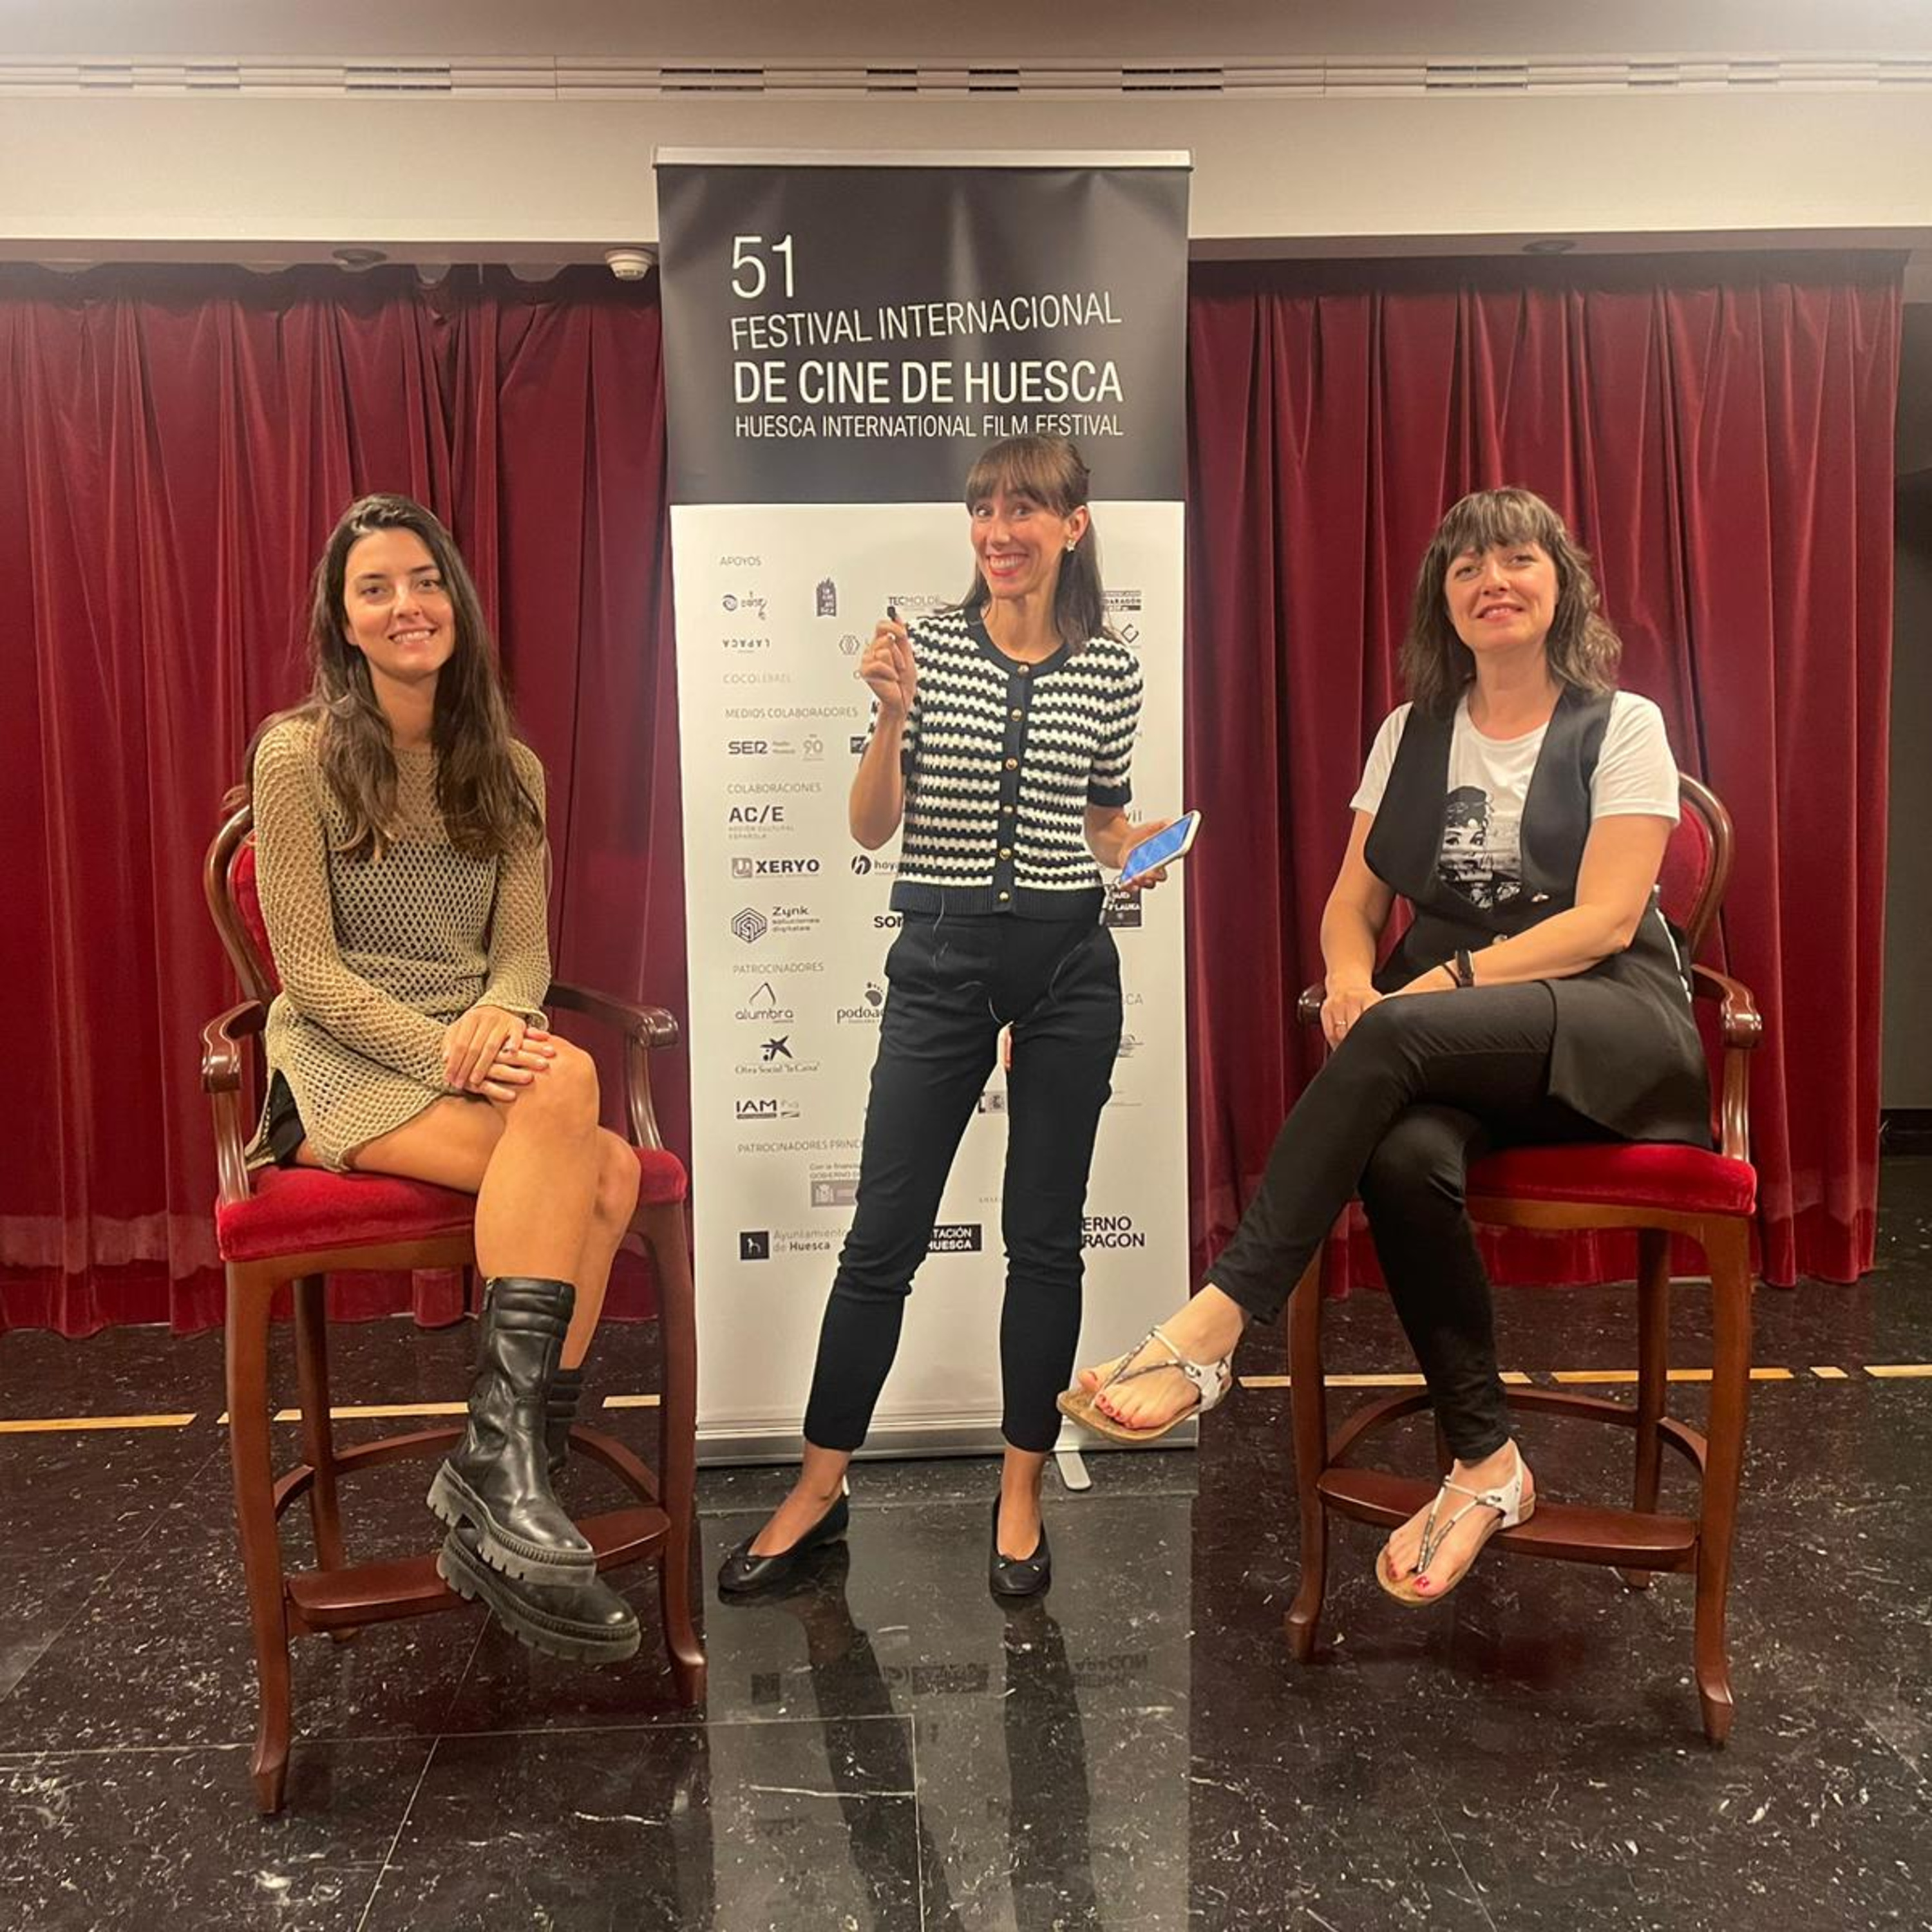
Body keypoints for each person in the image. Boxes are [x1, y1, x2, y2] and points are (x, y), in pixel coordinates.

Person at [1065, 485, 1710, 1605]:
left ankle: (1212, 1325)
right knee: (1404, 1159)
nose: (1493, 581)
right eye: (1467, 568)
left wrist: (1430, 988)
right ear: (1442, 601)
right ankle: (1488, 1465)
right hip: (1451, 1037)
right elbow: (1352, 904)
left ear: (1562, 584)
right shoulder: (1411, 733)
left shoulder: (1625, 725)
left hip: (1603, 1019)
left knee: (1403, 1024)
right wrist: (1354, 980)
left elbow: (1608, 921)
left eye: (1518, 559)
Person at [717, 435, 1166, 1602]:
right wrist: (888, 718)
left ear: (1073, 525)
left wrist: (1141, 849)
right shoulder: (926, 648)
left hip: (1071, 968)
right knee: (883, 1240)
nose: (998, 532)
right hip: (941, 964)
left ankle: (1020, 1492)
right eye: (983, 510)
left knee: (1045, 1240)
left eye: (1025, 509)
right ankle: (818, 1490)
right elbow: (872, 828)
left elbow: (1101, 821)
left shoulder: (1112, 670)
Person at [239, 492, 643, 1662]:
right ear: (345, 622)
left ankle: (509, 1477)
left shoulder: (509, 770)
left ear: (453, 602)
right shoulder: (296, 755)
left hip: (470, 1050)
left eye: (423, 581)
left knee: (600, 1150)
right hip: (342, 1063)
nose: (405, 605)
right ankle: (510, 1473)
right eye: (375, 589)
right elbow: (309, 974)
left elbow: (521, 955)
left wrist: (498, 1016)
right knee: (595, 1149)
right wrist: (447, 1051)